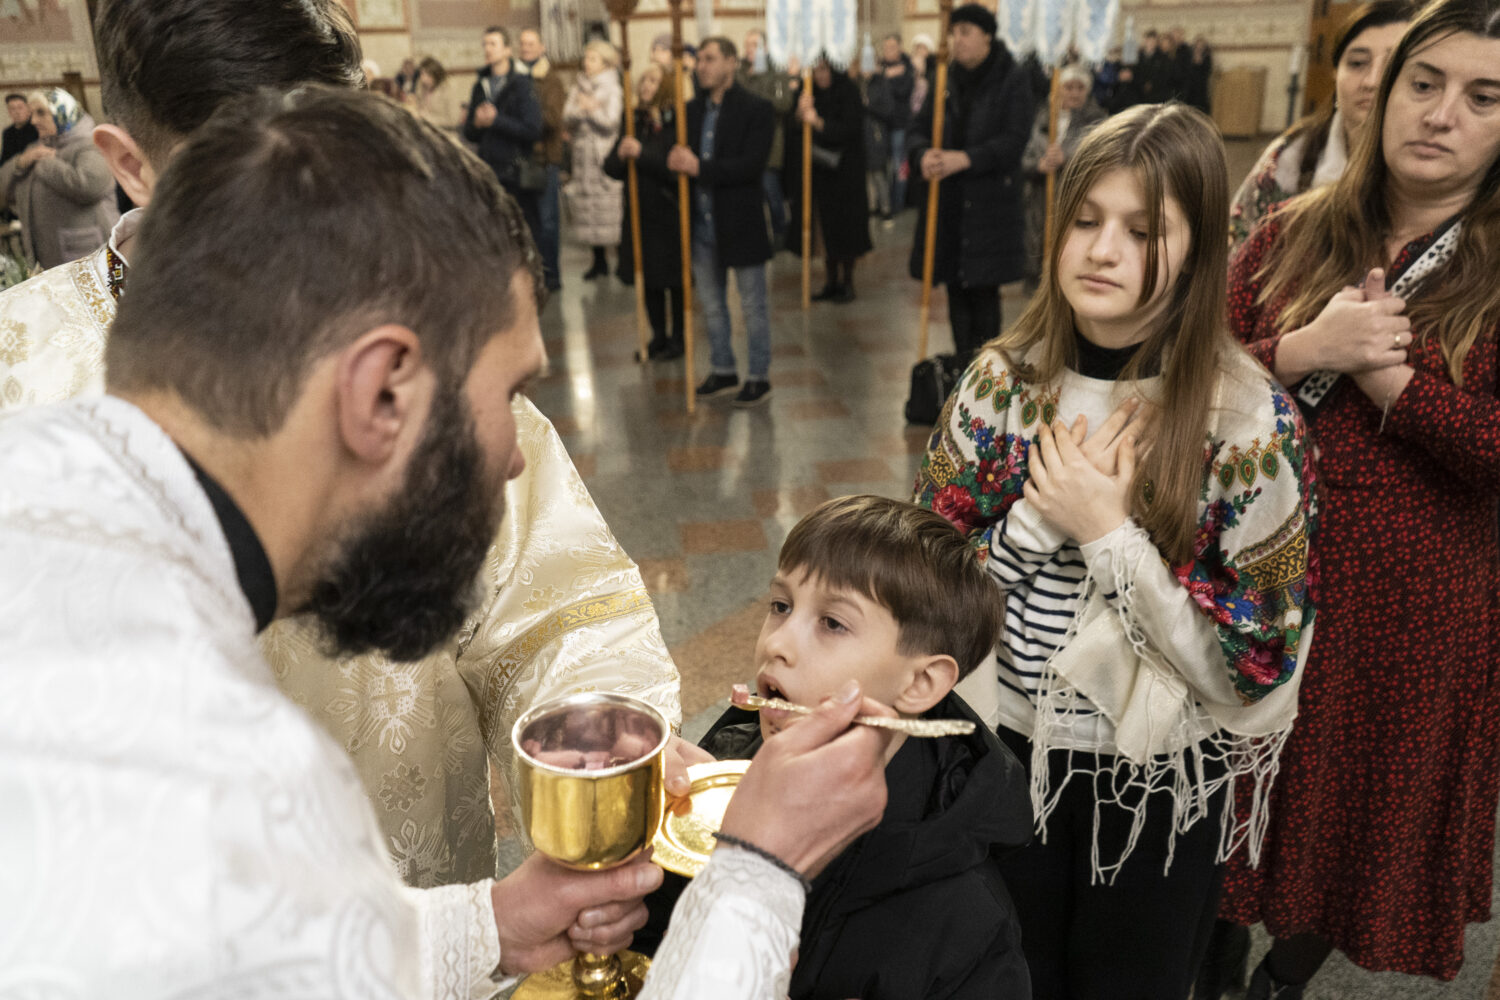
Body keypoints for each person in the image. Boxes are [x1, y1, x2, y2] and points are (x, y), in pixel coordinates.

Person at [0, 83, 898, 998]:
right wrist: (758, 875)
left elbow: (251, 955)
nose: (517, 459)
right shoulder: (201, 752)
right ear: (381, 388)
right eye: (508, 392)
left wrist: (490, 928)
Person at [0, 0, 687, 894]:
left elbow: (557, 606)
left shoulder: (430, 327)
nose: (318, 223)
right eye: (254, 180)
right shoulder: (21, 366)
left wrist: (599, 745)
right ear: (130, 165)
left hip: (415, 893)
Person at [914, 103, 1317, 1000]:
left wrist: (1107, 534)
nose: (1102, 250)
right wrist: (1031, 528)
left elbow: (1255, 665)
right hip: (1004, 752)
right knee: (1004, 973)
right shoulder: (999, 385)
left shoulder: (1246, 424)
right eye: (1086, 220)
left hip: (1155, 790)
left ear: (1199, 249)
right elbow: (921, 594)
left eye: (1143, 231)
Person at [1210, 2, 1500, 996]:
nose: (1441, 113)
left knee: (1348, 823)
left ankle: (1278, 980)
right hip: (1249, 583)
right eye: (1425, 84)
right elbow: (1183, 386)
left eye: (1482, 96)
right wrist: (1301, 353)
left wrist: (1399, 390)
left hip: (1409, 620)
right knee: (1220, 815)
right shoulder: (1292, 233)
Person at [636, 494, 1034, 999]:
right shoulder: (723, 778)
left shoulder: (965, 921)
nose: (776, 643)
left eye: (832, 623)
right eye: (780, 606)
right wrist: (657, 840)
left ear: (920, 684)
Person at [1228, 1, 1415, 249]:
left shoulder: (1433, 169)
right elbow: (1235, 248)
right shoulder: (1291, 157)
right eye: (1358, 63)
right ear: (1336, 73)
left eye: (1392, 66)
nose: (1372, 81)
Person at [908, 4, 1034, 366]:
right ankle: (964, 371)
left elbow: (1014, 139)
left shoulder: (1011, 78)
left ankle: (989, 376)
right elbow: (918, 128)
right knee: (955, 288)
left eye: (965, 32)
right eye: (954, 32)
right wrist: (922, 155)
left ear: (986, 36)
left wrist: (967, 158)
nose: (956, 40)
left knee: (982, 291)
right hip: (949, 203)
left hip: (988, 205)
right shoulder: (943, 78)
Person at [668, 36, 777, 407]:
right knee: (712, 305)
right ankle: (723, 367)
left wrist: (700, 167)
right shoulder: (690, 111)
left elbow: (751, 164)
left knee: (752, 306)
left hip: (740, 220)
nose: (702, 66)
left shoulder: (756, 109)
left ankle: (759, 375)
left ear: (731, 63)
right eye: (699, 59)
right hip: (702, 222)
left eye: (711, 59)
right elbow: (674, 152)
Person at [605, 64, 685, 360]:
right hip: (640, 211)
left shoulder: (676, 120)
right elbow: (611, 167)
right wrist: (621, 153)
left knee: (673, 279)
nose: (646, 85)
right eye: (643, 79)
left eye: (653, 80)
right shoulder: (633, 120)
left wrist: (642, 153)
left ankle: (678, 337)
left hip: (668, 209)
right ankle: (658, 336)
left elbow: (672, 164)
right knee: (648, 278)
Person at [0, 88, 118, 269]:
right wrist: (20, 162)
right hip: (48, 254)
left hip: (85, 252)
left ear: (63, 112)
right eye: (32, 114)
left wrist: (46, 164)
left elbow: (91, 187)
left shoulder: (89, 145)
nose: (33, 121)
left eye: (41, 113)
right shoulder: (36, 147)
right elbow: (4, 188)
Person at [785, 59, 871, 303]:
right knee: (825, 232)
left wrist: (818, 122)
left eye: (824, 69)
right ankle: (830, 280)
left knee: (845, 231)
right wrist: (800, 114)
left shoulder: (847, 91)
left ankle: (847, 281)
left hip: (845, 175)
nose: (820, 75)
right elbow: (793, 132)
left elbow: (850, 129)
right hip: (819, 174)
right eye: (815, 70)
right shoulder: (807, 92)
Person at [1020, 63, 1106, 293]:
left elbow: (1101, 160)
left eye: (1080, 88)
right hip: (1039, 200)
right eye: (1069, 87)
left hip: (1074, 199)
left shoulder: (1097, 120)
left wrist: (1066, 158)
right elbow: (1025, 158)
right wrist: (1039, 165)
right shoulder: (1043, 117)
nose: (1074, 93)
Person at [463, 26, 545, 244]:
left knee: (523, 238)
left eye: (493, 44)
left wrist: (497, 121)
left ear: (507, 50)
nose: (487, 49)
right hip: (489, 172)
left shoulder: (521, 84)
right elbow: (470, 133)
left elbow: (533, 129)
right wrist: (477, 123)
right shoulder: (480, 86)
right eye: (485, 44)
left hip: (516, 174)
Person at [564, 39, 624, 282]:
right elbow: (567, 116)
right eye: (586, 59)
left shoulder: (612, 88)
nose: (587, 64)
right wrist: (581, 110)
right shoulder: (578, 87)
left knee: (609, 210)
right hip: (583, 157)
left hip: (603, 155)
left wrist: (592, 110)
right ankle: (597, 260)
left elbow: (612, 122)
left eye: (593, 59)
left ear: (605, 62)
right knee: (589, 211)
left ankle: (621, 259)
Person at [516, 28, 567, 292]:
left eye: (530, 43)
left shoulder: (550, 80)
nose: (525, 48)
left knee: (547, 222)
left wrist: (526, 119)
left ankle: (552, 275)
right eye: (522, 43)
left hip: (545, 157)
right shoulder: (516, 78)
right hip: (523, 158)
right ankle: (534, 275)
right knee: (527, 221)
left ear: (542, 47)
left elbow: (553, 119)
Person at [739, 28, 796, 248]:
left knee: (771, 190)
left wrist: (756, 97)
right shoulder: (741, 72)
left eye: (754, 45)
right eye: (747, 45)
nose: (749, 50)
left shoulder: (776, 73)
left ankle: (781, 231)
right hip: (744, 142)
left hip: (770, 142)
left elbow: (784, 104)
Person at [876, 34, 916, 216]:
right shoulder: (880, 68)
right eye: (886, 48)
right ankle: (883, 203)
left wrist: (886, 78)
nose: (888, 52)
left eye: (892, 47)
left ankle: (897, 203)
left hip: (900, 124)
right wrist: (887, 75)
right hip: (882, 125)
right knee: (883, 167)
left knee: (899, 167)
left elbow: (903, 91)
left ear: (899, 48)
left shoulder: (907, 67)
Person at [413, 56, 465, 135]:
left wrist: (426, 118)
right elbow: (419, 107)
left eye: (427, 75)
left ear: (436, 75)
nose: (423, 78)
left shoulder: (448, 88)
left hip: (445, 135)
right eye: (422, 73)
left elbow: (453, 121)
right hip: (426, 133)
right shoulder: (420, 84)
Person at [0, 92, 37, 167]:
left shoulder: (37, 128)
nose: (17, 112)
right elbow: (5, 158)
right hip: (12, 171)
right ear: (9, 112)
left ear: (28, 109)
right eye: (12, 109)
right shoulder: (8, 132)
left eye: (20, 107)